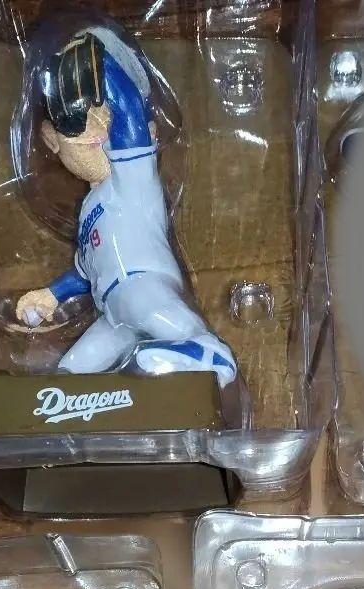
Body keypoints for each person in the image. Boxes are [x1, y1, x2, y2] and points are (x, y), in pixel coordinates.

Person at [16, 29, 238, 389]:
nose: (98, 130)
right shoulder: (88, 210)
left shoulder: (132, 179)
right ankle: (79, 412)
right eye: (83, 120)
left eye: (104, 116)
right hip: (112, 312)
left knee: (154, 313)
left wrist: (101, 64)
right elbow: (86, 272)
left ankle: (210, 356)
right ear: (52, 140)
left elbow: (129, 112)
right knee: (72, 371)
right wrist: (51, 295)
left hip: (142, 282)